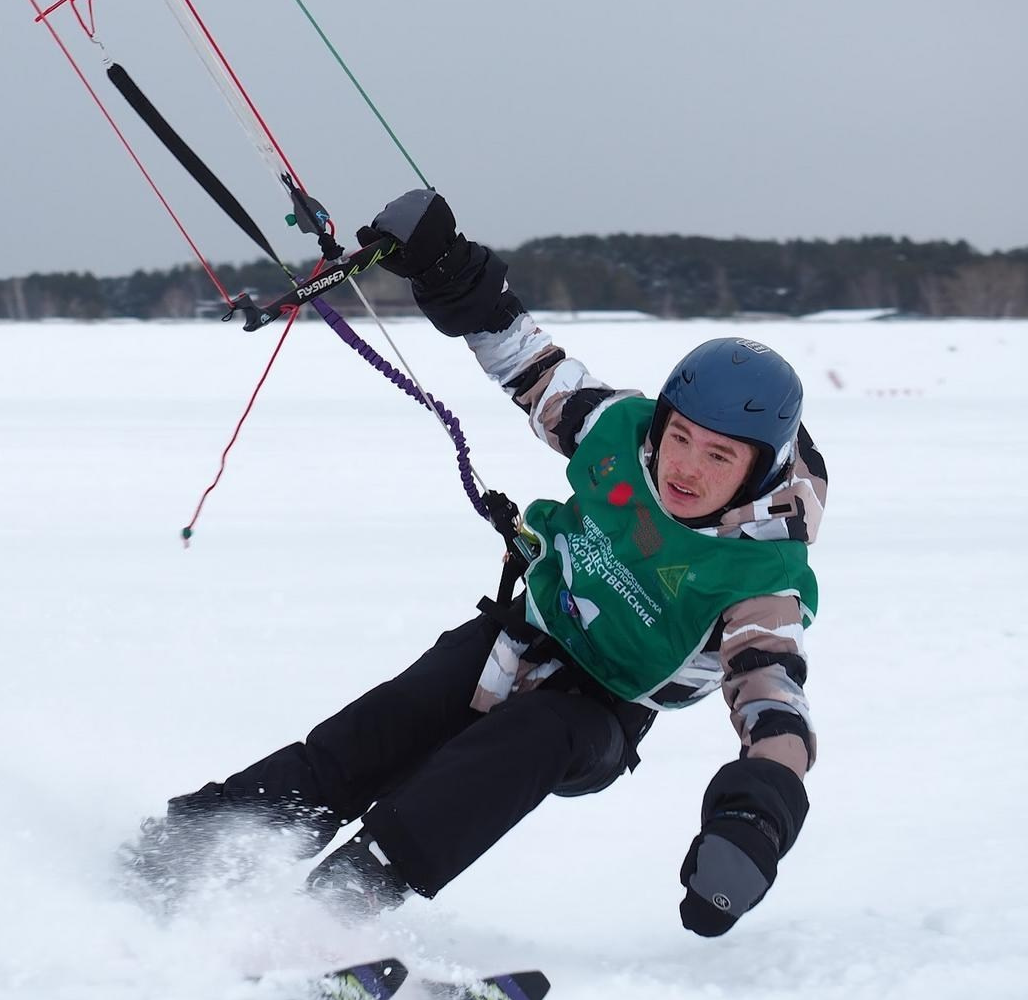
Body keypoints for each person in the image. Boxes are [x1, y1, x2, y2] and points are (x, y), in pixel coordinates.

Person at [125, 190, 829, 937]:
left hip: (604, 713)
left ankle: (332, 914)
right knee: (365, 740)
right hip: (519, 636)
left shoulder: (762, 579)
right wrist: (446, 265)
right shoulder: (622, 434)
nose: (685, 467)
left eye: (719, 455)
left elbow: (774, 706)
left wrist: (754, 818)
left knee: (511, 750)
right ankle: (180, 857)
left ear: (761, 467)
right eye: (681, 436)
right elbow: (525, 359)